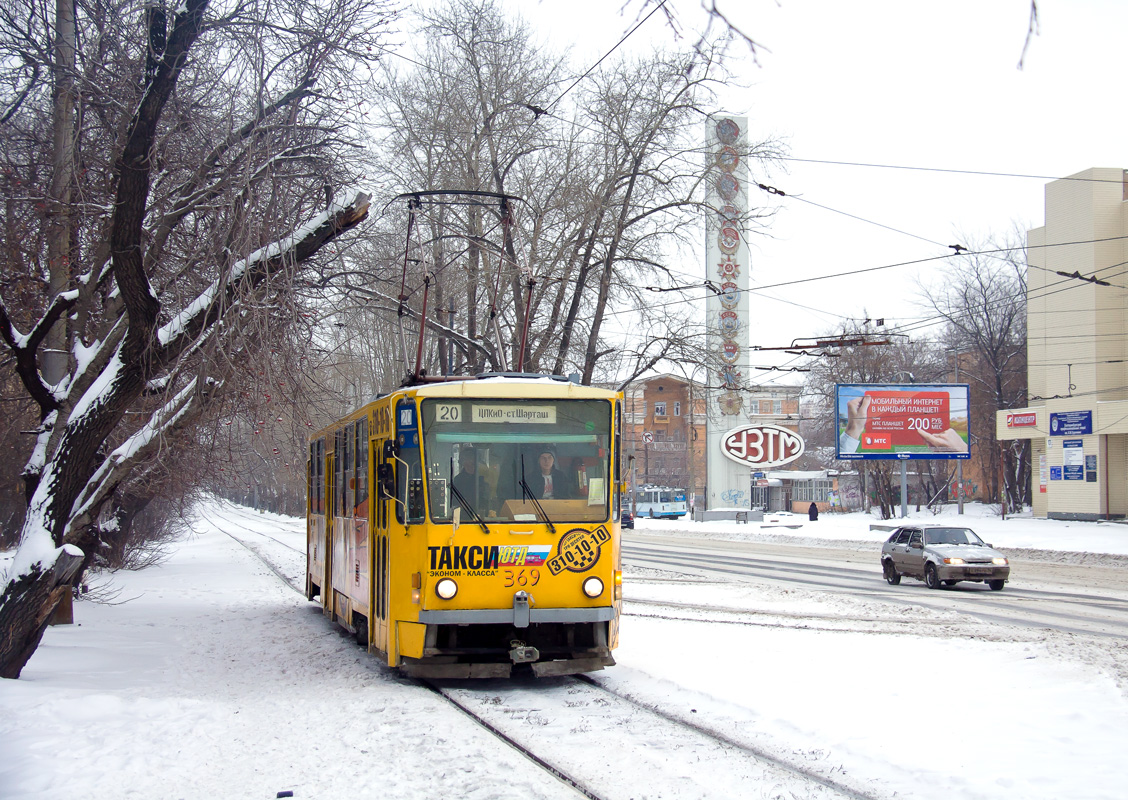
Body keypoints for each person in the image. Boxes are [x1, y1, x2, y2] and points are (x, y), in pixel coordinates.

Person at [451, 446, 490, 515]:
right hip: (463, 518)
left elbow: (487, 499)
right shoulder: (458, 480)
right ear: (463, 463)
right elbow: (454, 502)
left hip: (483, 518)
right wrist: (462, 504)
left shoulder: (482, 479)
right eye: (468, 464)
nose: (471, 466)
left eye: (473, 464)